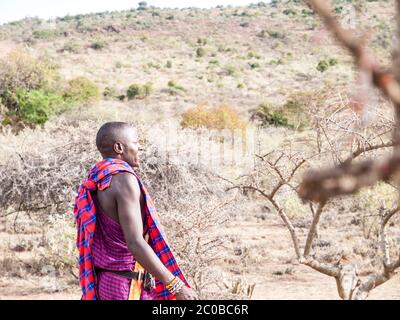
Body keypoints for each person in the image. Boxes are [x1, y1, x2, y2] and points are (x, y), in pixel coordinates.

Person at [73, 121, 198, 300]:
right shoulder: (123, 179)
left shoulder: (97, 177)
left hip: (107, 282)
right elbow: (135, 242)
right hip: (127, 287)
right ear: (119, 147)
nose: (140, 148)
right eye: (136, 142)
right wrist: (176, 286)